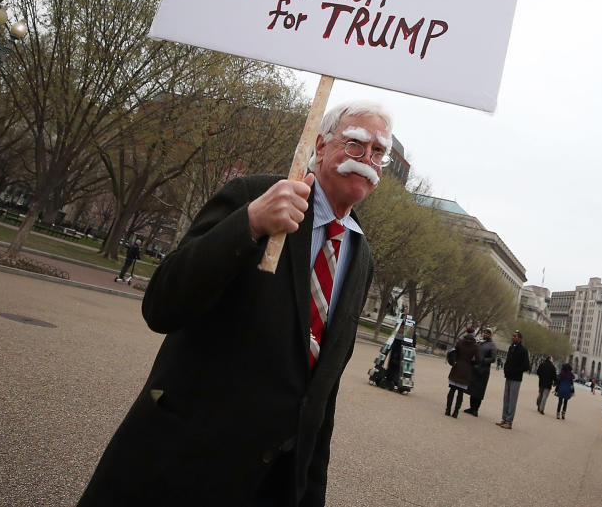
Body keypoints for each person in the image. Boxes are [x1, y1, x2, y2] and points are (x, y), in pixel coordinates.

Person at [77, 101, 392, 507]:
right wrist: (250, 222)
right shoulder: (253, 195)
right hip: (180, 466)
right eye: (354, 144)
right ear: (320, 144)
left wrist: (308, 492)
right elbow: (162, 304)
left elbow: (321, 394)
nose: (367, 160)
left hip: (270, 485)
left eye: (378, 152)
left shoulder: (360, 254)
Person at [496, 330, 530, 430]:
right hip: (508, 377)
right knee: (506, 398)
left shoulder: (523, 350)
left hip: (516, 379)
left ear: (519, 339)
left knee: (512, 400)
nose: (513, 337)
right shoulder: (511, 348)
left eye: (515, 336)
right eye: (513, 336)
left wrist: (515, 371)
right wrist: (506, 369)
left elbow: (526, 366)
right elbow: (508, 361)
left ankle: (509, 422)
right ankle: (504, 419)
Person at [446, 326, 480, 417]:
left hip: (457, 366)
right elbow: (478, 360)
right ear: (473, 335)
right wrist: (471, 363)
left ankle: (448, 409)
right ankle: (456, 411)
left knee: (452, 390)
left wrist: (454, 361)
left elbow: (453, 352)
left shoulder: (460, 342)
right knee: (460, 393)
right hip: (467, 369)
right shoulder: (475, 346)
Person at [465, 327, 497, 417]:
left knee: (479, 391)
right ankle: (471, 408)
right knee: (472, 389)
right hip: (474, 368)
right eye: (485, 333)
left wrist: (483, 360)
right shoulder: (479, 341)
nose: (485, 334)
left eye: (488, 333)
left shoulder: (492, 345)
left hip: (483, 371)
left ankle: (476, 409)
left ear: (490, 335)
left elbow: (493, 358)